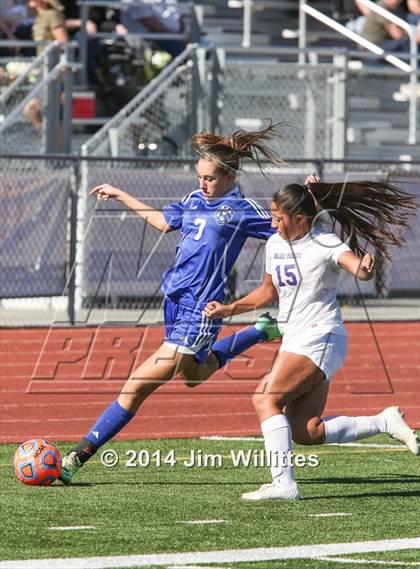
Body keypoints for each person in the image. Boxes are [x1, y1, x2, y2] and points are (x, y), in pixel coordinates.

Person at [59, 121, 303, 483]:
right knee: (194, 377)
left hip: (201, 310)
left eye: (210, 179)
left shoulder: (242, 209)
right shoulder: (192, 199)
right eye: (200, 176)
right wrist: (120, 193)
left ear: (230, 176)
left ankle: (75, 459)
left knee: (135, 386)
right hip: (174, 302)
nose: (203, 184)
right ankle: (260, 330)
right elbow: (162, 223)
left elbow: (290, 228)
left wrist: (314, 203)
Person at [204, 177, 419, 501]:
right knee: (306, 430)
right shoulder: (275, 245)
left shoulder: (325, 242)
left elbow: (357, 268)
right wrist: (229, 309)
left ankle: (284, 485)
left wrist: (365, 270)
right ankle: (383, 421)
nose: (273, 222)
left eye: (279, 217)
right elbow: (267, 291)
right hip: (296, 340)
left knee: (265, 398)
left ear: (300, 219)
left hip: (321, 335)